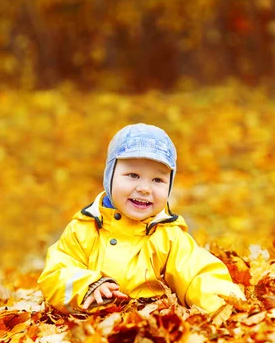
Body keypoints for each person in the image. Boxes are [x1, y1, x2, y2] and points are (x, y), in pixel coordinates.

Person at [38, 123, 245, 314]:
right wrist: (88, 286)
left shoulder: (168, 236)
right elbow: (55, 274)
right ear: (109, 176)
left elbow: (198, 273)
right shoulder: (84, 228)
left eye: (157, 179)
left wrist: (225, 304)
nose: (145, 188)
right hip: (90, 330)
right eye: (133, 175)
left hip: (148, 328)